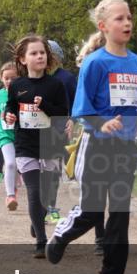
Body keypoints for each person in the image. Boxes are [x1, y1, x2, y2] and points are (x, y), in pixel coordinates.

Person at [45, 0, 137, 274]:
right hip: (97, 147)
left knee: (120, 212)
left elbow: (131, 100)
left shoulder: (136, 62)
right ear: (103, 26)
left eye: (129, 17)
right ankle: (63, 233)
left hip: (125, 148)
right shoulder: (95, 62)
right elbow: (81, 108)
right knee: (92, 211)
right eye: (119, 19)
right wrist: (101, 123)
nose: (127, 22)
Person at [3, 35, 70, 257]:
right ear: (23, 59)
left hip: (50, 143)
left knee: (47, 192)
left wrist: (45, 106)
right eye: (34, 53)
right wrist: (10, 116)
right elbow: (10, 107)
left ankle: (37, 221)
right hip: (25, 144)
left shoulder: (56, 84)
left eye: (42, 52)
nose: (39, 56)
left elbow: (62, 114)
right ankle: (42, 241)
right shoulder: (17, 85)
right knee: (34, 191)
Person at [44, 39, 78, 223]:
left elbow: (76, 103)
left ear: (57, 58)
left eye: (49, 55)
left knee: (54, 169)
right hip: (35, 131)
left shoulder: (67, 78)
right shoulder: (33, 78)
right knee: (38, 171)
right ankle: (39, 206)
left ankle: (51, 206)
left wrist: (72, 120)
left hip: (58, 130)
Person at [0, 62, 19, 210]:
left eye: (13, 78)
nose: (10, 81)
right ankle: (10, 196)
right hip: (4, 135)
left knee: (18, 165)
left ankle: (14, 186)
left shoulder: (24, 93)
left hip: (21, 135)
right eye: (7, 78)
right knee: (9, 163)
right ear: (1, 79)